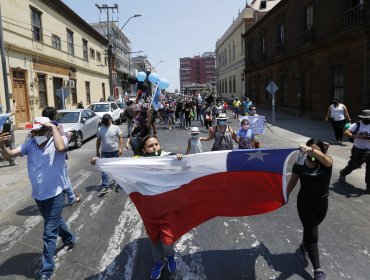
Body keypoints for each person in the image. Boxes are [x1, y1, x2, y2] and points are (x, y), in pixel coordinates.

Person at [0, 117, 77, 280]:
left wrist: (54, 127)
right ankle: (70, 238)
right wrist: (2, 145)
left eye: (40, 131)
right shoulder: (31, 144)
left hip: (56, 193)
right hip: (39, 195)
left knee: (49, 232)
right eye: (34, 131)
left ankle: (46, 271)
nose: (36, 134)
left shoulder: (58, 139)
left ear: (49, 131)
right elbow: (9, 155)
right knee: (54, 221)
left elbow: (61, 147)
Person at [287, 139, 332, 280]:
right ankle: (318, 271)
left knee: (311, 229)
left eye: (315, 149)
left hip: (322, 204)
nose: (311, 152)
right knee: (313, 234)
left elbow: (325, 159)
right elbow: (293, 181)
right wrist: (285, 196)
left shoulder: (326, 163)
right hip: (305, 204)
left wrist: (312, 150)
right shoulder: (299, 165)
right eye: (308, 149)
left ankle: (304, 243)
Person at [41, 106, 82, 206]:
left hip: (45, 157)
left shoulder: (41, 127)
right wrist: (69, 135)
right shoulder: (57, 126)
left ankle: (59, 197)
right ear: (54, 116)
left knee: (53, 177)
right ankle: (71, 198)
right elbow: (63, 142)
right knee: (64, 177)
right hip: (58, 156)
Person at [339, 109, 370, 193]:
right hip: (358, 150)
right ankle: (343, 172)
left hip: (369, 150)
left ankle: (369, 186)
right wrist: (358, 136)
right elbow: (346, 133)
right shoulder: (357, 124)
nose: (366, 120)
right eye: (365, 118)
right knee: (353, 165)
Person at [96, 113, 123, 195]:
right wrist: (97, 151)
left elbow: (120, 137)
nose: (106, 122)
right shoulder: (100, 129)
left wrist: (121, 148)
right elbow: (98, 140)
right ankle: (105, 186)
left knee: (116, 168)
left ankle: (118, 181)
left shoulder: (116, 128)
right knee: (104, 170)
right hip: (104, 152)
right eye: (105, 121)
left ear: (111, 120)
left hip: (114, 151)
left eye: (107, 121)